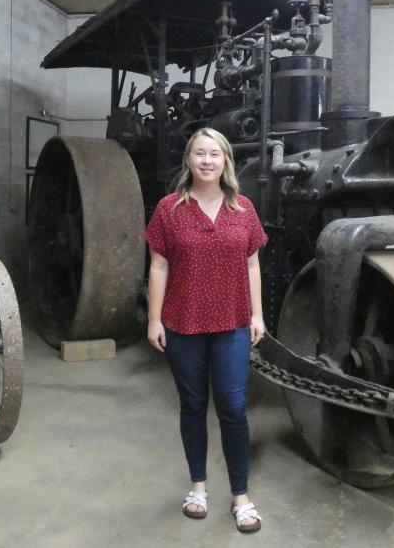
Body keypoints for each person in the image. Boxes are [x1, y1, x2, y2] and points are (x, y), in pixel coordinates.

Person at [143, 127, 267, 533]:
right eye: (200, 153)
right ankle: (198, 487)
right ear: (189, 161)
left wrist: (257, 314)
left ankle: (241, 496)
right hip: (183, 322)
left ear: (226, 161)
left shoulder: (243, 209)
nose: (208, 160)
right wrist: (154, 319)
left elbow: (252, 264)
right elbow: (158, 266)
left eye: (215, 154)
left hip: (232, 322)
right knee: (193, 405)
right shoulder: (168, 209)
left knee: (232, 409)